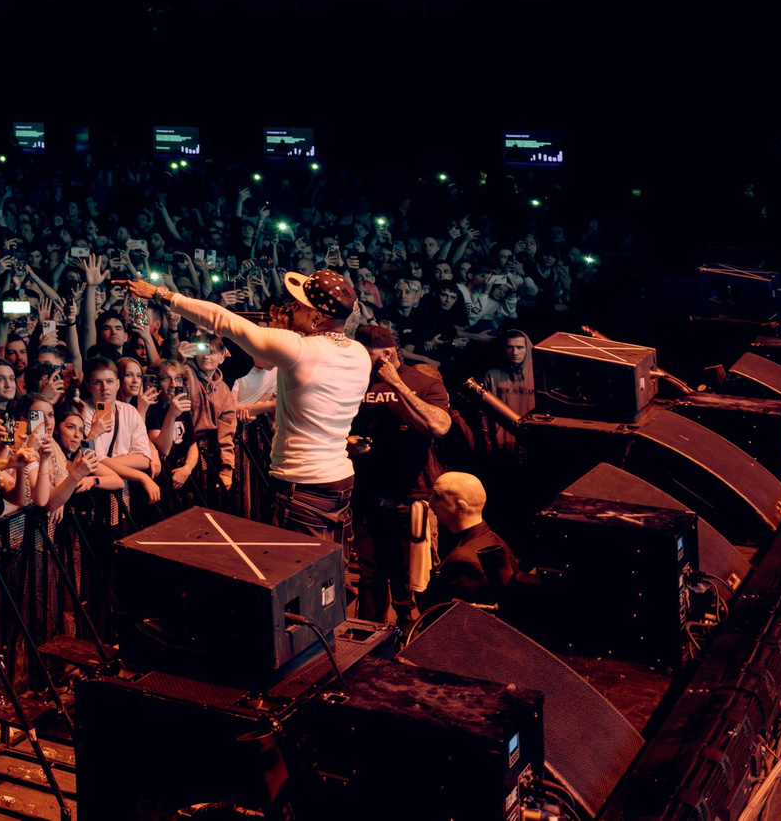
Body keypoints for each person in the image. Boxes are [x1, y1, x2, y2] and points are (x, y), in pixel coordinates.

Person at [118, 268, 370, 543]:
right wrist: (289, 329)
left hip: (303, 484)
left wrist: (160, 293)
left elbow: (222, 320)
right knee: (328, 568)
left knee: (299, 568)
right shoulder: (359, 353)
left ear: (317, 318)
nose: (290, 308)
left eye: (299, 306)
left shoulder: (299, 349)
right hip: (340, 479)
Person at [347, 326, 455, 626]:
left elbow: (440, 426)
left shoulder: (422, 381)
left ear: (387, 354)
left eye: (365, 355)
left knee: (414, 577)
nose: (359, 361)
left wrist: (397, 384)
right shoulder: (354, 382)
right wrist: (348, 442)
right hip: (367, 493)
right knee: (370, 575)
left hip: (411, 496)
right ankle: (368, 640)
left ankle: (421, 640)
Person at [422, 473, 515, 606]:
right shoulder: (491, 539)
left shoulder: (464, 563)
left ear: (461, 507)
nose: (430, 502)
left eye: (438, 497)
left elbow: (449, 620)